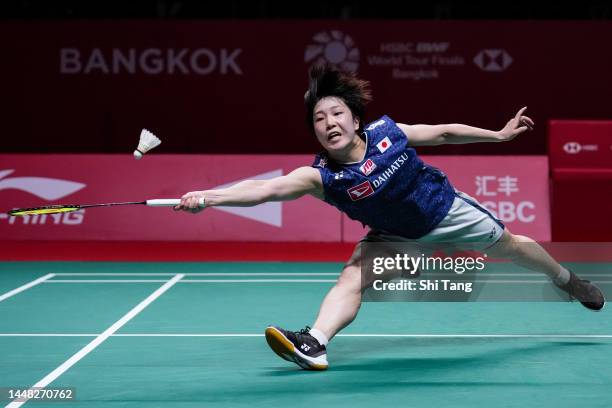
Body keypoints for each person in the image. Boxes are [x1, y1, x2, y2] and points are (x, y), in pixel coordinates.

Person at [175, 65, 605, 371]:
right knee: (350, 279)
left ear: (355, 119)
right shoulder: (320, 176)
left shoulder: (386, 134)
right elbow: (265, 190)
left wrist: (496, 134)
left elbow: (441, 132)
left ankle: (566, 280)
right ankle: (315, 343)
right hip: (396, 237)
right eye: (319, 119)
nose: (329, 123)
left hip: (445, 211)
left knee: (512, 246)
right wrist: (210, 198)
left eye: (337, 113)